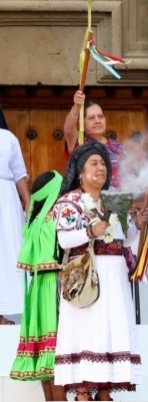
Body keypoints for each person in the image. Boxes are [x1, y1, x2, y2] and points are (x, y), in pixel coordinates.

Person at [53, 142, 146, 401]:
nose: (100, 168)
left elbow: (124, 239)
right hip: (86, 278)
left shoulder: (115, 199)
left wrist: (137, 225)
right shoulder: (70, 202)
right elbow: (64, 241)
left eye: (103, 163)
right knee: (87, 332)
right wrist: (89, 232)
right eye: (93, 163)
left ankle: (105, 391)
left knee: (110, 330)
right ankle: (83, 392)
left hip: (114, 278)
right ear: (80, 173)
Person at [10, 171, 67, 402]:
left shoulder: (33, 217)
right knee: (56, 356)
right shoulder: (56, 215)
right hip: (54, 284)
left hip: (37, 289)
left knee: (45, 354)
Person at [63, 92, 148, 190]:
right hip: (90, 203)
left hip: (118, 202)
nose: (97, 121)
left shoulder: (116, 146)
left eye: (100, 116)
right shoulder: (80, 144)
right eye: (91, 118)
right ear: (82, 123)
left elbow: (132, 173)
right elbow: (68, 130)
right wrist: (76, 107)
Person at [0, 105, 30, 326]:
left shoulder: (8, 138)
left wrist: (28, 202)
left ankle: (4, 313)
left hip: (6, 200)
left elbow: (19, 174)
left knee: (8, 252)